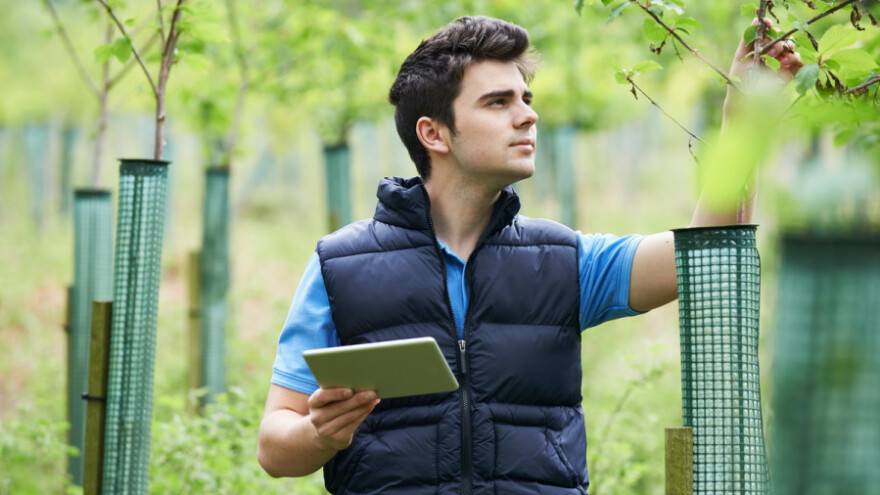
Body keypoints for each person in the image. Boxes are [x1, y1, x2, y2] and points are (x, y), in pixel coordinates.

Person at [258, 15, 801, 495]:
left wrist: (743, 126)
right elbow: (274, 449)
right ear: (434, 133)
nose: (527, 117)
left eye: (526, 99)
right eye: (498, 102)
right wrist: (318, 432)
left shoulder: (564, 259)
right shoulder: (341, 266)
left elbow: (703, 249)